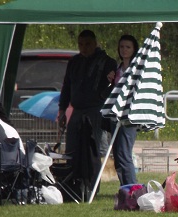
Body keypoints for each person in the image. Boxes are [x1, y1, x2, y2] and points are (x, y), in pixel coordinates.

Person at [58, 30, 117, 162]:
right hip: (77, 110)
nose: (84, 48)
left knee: (97, 150)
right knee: (72, 149)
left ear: (95, 44)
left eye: (87, 44)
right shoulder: (74, 62)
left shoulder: (107, 62)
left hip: (96, 110)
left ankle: (97, 174)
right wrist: (62, 110)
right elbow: (66, 87)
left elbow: (114, 87)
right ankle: (73, 174)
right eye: (81, 44)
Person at [106, 34, 139, 185]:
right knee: (117, 155)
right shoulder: (118, 69)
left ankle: (133, 188)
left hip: (129, 116)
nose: (124, 50)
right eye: (121, 47)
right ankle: (124, 187)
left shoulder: (136, 69)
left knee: (124, 153)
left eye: (128, 47)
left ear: (134, 49)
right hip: (115, 115)